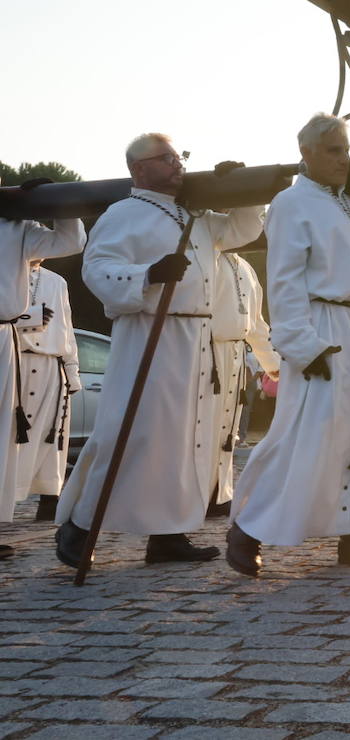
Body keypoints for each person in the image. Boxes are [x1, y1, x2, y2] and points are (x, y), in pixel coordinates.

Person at [226, 117, 350, 577]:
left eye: (346, 149)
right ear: (307, 152)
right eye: (333, 150)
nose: (343, 159)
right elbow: (285, 280)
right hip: (321, 329)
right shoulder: (292, 203)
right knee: (302, 433)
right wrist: (301, 346)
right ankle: (247, 527)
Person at [56, 137, 261, 567]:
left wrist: (244, 190)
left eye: (178, 156)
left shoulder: (195, 215)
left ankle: (167, 535)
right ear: (139, 170)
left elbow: (241, 231)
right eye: (166, 158)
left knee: (183, 438)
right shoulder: (123, 214)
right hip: (150, 332)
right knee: (129, 434)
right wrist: (147, 274)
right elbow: (97, 268)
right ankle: (78, 526)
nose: (177, 164)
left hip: (194, 338)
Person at [1, 182, 85, 560]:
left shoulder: (15, 227)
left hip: (3, 339)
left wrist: (59, 201)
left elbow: (69, 241)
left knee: (3, 438)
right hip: (13, 340)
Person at [205, 251, 280, 517]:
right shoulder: (206, 259)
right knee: (205, 430)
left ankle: (218, 493)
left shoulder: (246, 268)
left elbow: (256, 323)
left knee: (228, 431)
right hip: (206, 353)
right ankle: (198, 495)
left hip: (236, 356)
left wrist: (272, 363)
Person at [15, 260, 82, 522]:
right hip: (15, 362)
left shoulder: (57, 281)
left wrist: (72, 370)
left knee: (51, 436)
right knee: (11, 436)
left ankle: (50, 498)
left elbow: (67, 330)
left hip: (51, 368)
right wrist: (27, 319)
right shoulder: (5, 273)